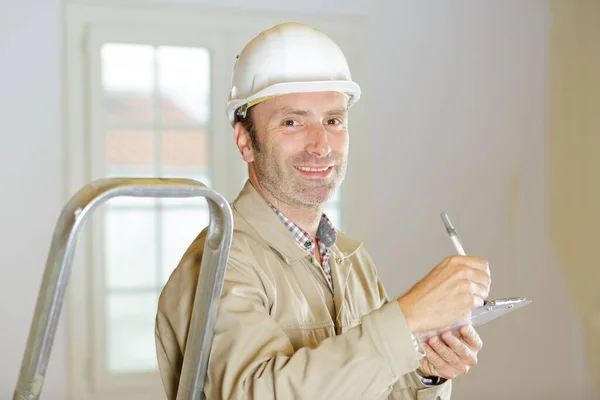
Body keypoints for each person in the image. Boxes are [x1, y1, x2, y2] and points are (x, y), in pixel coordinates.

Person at [155, 22, 491, 400]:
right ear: (245, 141)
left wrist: (424, 376)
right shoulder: (219, 264)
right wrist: (407, 318)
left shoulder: (351, 259)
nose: (320, 145)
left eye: (333, 120)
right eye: (292, 122)